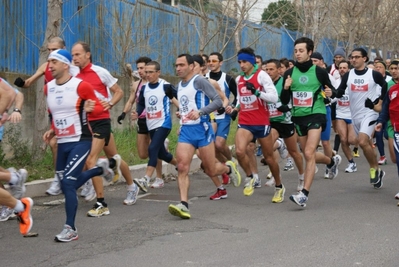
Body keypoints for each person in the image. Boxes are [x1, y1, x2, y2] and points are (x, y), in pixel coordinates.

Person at [43, 49, 116, 241]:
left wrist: (90, 107)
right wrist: (52, 128)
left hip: (80, 140)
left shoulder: (81, 86)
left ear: (65, 65)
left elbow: (101, 107)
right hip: (62, 141)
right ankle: (99, 170)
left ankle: (70, 228)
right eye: (49, 61)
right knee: (65, 183)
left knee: (68, 182)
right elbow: (56, 113)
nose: (49, 65)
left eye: (54, 62)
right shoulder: (48, 87)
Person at [168, 54, 240, 219]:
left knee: (211, 169)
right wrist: (183, 117)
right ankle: (183, 204)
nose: (178, 68)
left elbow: (217, 101)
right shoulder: (179, 85)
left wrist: (200, 112)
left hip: (203, 128)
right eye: (176, 65)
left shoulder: (199, 81)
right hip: (187, 131)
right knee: (182, 167)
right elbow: (187, 107)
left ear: (192, 66)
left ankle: (229, 168)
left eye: (181, 65)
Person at [71, 41, 139, 217]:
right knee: (114, 157)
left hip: (100, 120)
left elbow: (119, 92)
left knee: (90, 160)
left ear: (88, 54)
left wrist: (109, 103)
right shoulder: (72, 73)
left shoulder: (100, 72)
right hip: (84, 122)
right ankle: (132, 186)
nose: (74, 58)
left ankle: (101, 203)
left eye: (78, 54)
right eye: (72, 55)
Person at [281, 37, 341, 208]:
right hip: (298, 117)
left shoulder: (319, 72)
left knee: (308, 153)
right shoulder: (289, 73)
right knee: (310, 154)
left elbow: (333, 91)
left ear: (309, 52)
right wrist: (286, 88)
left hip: (316, 114)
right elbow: (284, 100)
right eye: (296, 51)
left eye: (301, 51)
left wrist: (330, 92)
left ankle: (304, 194)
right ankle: (330, 161)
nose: (298, 54)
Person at [229, 47, 285, 201]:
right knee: (240, 151)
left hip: (261, 122)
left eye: (245, 61)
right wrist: (236, 109)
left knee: (269, 158)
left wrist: (257, 93)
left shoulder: (262, 76)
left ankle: (279, 186)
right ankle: (250, 177)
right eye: (239, 62)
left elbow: (274, 98)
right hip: (245, 122)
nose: (242, 65)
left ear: (252, 61)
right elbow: (240, 98)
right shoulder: (239, 79)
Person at [13, 37, 67, 196]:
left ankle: (86, 177)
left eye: (55, 49)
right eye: (49, 50)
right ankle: (59, 178)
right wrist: (21, 83)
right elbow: (29, 82)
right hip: (55, 113)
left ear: (64, 49)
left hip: (72, 112)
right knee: (55, 144)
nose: (51, 53)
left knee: (66, 145)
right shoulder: (45, 66)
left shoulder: (68, 67)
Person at [335, 47, 387, 189]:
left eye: (357, 57)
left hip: (370, 113)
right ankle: (378, 170)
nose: (354, 59)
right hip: (355, 115)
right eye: (352, 57)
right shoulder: (348, 75)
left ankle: (374, 169)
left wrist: (378, 102)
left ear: (364, 58)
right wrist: (331, 93)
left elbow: (385, 86)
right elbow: (339, 92)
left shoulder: (373, 74)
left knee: (363, 141)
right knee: (366, 144)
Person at [118, 56, 164, 190]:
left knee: (154, 149)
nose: (140, 71)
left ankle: (158, 177)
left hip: (156, 121)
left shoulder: (159, 84)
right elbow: (131, 100)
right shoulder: (136, 84)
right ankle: (163, 151)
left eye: (142, 68)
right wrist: (123, 113)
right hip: (142, 122)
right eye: (138, 69)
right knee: (143, 154)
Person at [132, 61, 178, 185]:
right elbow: (141, 103)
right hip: (150, 123)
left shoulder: (165, 86)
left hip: (164, 123)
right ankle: (180, 165)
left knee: (152, 148)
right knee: (162, 153)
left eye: (151, 72)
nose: (148, 75)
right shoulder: (144, 88)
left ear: (158, 72)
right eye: (146, 72)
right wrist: (137, 112)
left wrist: (180, 111)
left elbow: (179, 98)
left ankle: (146, 179)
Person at [263, 59, 304, 191]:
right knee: (267, 149)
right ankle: (276, 176)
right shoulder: (263, 84)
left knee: (294, 152)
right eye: (266, 69)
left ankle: (302, 177)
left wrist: (286, 107)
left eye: (271, 69)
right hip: (271, 122)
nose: (268, 72)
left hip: (286, 121)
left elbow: (293, 99)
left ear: (279, 69)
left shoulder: (285, 82)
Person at [205, 52, 237, 164]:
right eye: (209, 61)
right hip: (208, 116)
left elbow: (238, 96)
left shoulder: (227, 78)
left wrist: (232, 107)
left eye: (214, 61)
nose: (211, 63)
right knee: (212, 146)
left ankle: (231, 160)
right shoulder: (204, 78)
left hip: (223, 116)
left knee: (219, 144)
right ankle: (227, 168)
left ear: (221, 63)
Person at [334, 60, 358, 173]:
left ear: (348, 69)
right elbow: (333, 95)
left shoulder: (353, 81)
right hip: (340, 114)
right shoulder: (335, 81)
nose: (342, 69)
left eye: (344, 67)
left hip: (353, 114)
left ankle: (364, 139)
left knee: (352, 140)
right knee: (343, 140)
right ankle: (351, 162)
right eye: (340, 67)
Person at [374, 61, 391, 165]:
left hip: (389, 110)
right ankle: (382, 156)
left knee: (387, 134)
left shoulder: (390, 80)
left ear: (385, 69)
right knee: (378, 133)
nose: (378, 69)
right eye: (376, 67)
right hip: (377, 109)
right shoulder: (372, 79)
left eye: (380, 67)